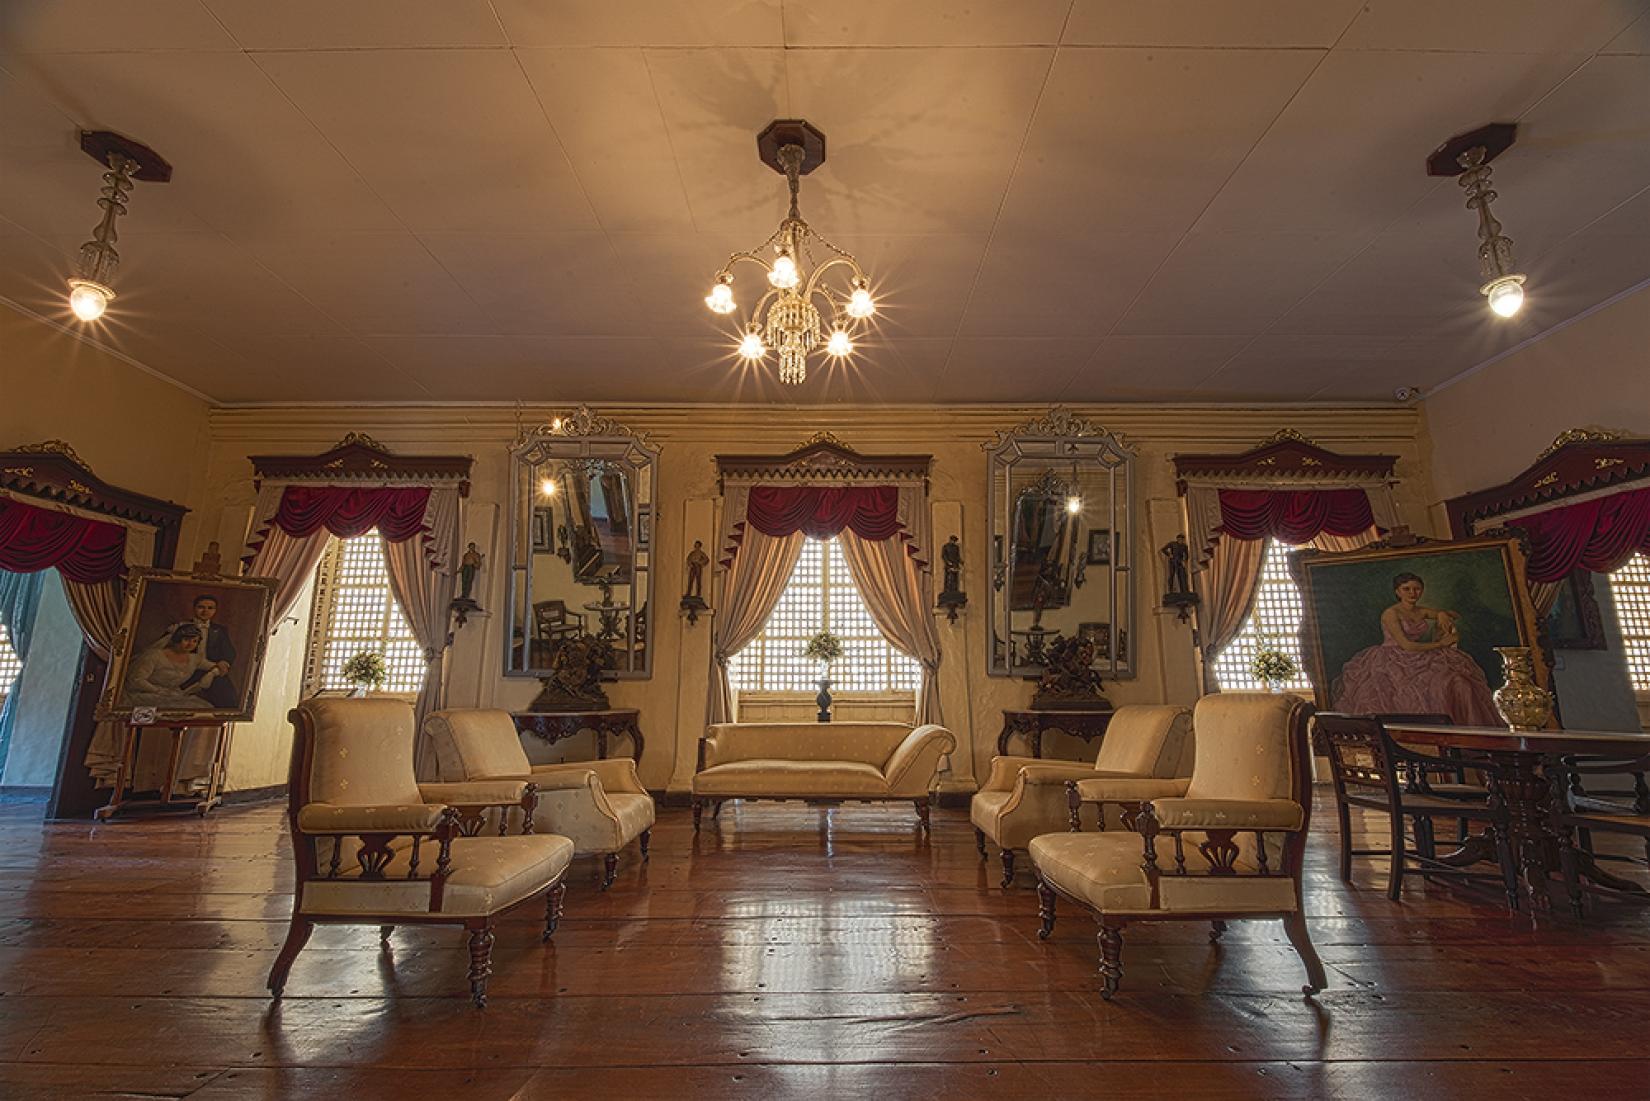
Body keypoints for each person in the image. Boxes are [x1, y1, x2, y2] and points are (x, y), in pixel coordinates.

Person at [1332, 571, 1500, 725]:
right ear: (1398, 592)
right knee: (1409, 695)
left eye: (1417, 589)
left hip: (1419, 656)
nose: (1412, 593)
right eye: (1407, 589)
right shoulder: (1391, 614)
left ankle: (1463, 735)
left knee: (1457, 682)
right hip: (1392, 659)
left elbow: (1445, 614)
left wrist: (1442, 614)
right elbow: (1407, 645)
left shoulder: (1421, 610)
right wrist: (1442, 644)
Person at [165, 594, 238, 709]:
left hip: (212, 670)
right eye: (201, 607)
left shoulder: (219, 630)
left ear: (215, 610)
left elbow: (229, 651)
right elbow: (167, 649)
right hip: (185, 670)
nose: (205, 611)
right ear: (194, 608)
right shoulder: (181, 627)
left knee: (229, 700)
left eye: (210, 608)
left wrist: (224, 662)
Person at [123, 624, 218, 709]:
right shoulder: (154, 656)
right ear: (177, 639)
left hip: (174, 695)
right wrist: (159, 691)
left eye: (194, 641)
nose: (190, 644)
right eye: (186, 640)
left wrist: (213, 672)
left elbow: (217, 667)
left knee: (205, 708)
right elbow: (136, 680)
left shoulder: (195, 659)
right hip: (146, 695)